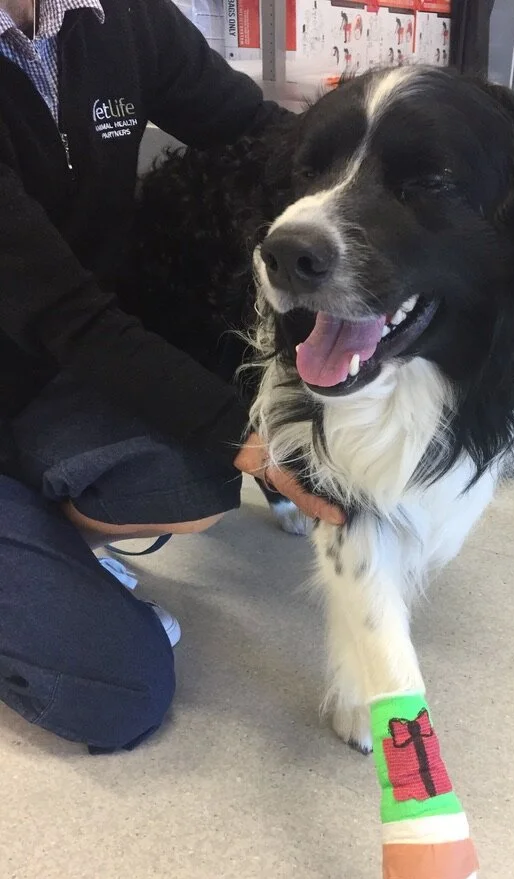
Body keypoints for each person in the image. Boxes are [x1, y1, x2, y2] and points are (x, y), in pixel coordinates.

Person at [0, 0, 342, 754]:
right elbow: (70, 315)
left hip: (43, 378)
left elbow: (263, 136)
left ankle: (43, 550)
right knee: (120, 692)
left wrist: (371, 168)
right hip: (57, 338)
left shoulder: (122, 20)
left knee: (188, 476)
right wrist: (258, 443)